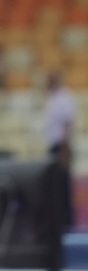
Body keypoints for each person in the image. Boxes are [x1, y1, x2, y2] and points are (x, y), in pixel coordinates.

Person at [44, 71, 75, 229]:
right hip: (54, 145)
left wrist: (64, 149)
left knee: (62, 186)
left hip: (61, 147)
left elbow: (68, 123)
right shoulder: (53, 98)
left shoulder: (64, 97)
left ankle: (66, 222)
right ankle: (59, 221)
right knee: (55, 186)